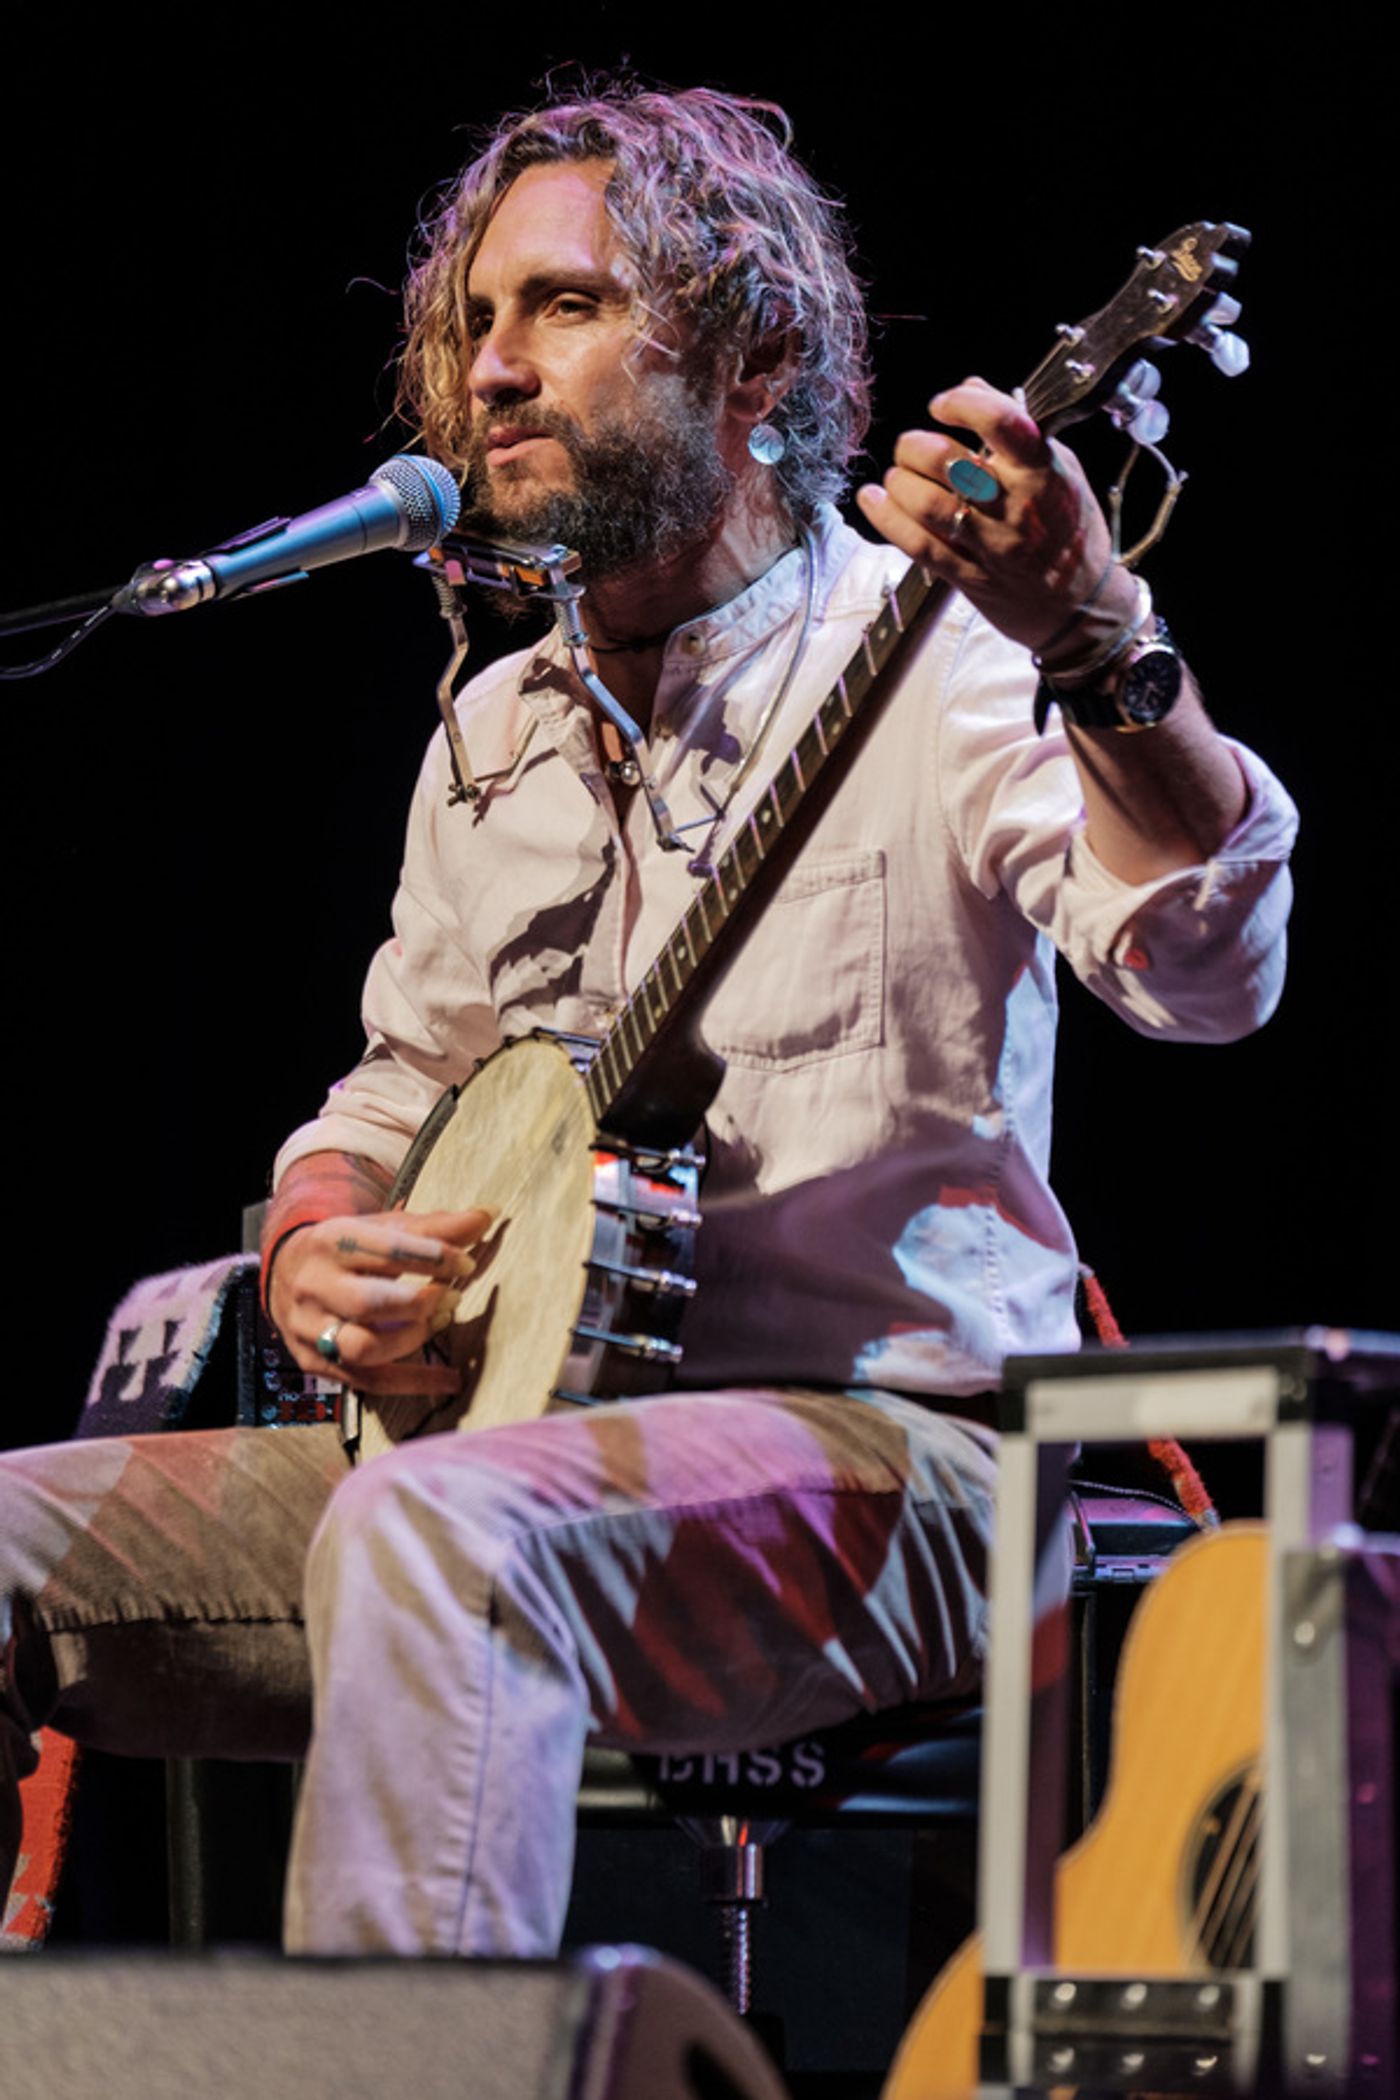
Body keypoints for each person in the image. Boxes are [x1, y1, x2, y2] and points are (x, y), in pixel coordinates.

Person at [1, 84, 1296, 1958]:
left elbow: (1208, 975)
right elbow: (395, 1083)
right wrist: (310, 1241)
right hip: (490, 1456)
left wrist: (1098, 638)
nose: (491, 369)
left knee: (448, 1534)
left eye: (566, 305)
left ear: (757, 357)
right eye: (474, 321)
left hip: (897, 1462)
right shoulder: (492, 732)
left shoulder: (942, 660)